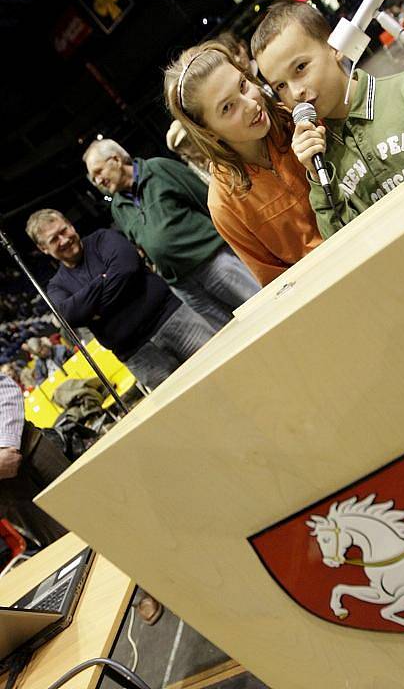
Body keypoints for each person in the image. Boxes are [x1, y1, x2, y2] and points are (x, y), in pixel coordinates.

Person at [251, 0, 404, 239]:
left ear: (334, 47)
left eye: (301, 67)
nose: (295, 92)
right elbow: (345, 249)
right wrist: (317, 176)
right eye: (280, 85)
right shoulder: (324, 161)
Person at [163, 41, 323, 286]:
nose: (250, 104)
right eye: (227, 107)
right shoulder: (225, 202)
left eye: (243, 85)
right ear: (208, 130)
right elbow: (276, 283)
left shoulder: (299, 118)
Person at [25, 210, 215, 390]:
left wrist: (95, 308)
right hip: (138, 355)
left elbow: (127, 267)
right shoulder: (56, 286)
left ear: (70, 225)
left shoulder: (103, 239)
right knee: (188, 408)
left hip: (174, 320)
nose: (64, 240)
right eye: (54, 239)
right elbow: (71, 316)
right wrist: (103, 279)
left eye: (64, 230)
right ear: (43, 248)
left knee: (224, 363)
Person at [83, 139, 259, 329]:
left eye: (98, 172)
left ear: (116, 159)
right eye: (94, 179)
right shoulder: (117, 208)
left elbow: (208, 202)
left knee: (261, 308)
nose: (98, 181)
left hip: (215, 263)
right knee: (234, 334)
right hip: (185, 287)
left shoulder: (159, 169)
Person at [0, 373, 68, 547]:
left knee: (95, 508)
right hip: (7, 494)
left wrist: (6, 445)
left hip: (31, 447)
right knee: (66, 546)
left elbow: (5, 389)